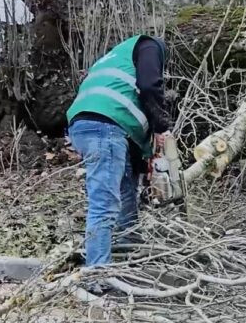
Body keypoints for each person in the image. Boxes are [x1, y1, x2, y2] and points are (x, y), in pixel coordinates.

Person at [66, 35, 170, 273]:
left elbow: (130, 124)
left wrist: (146, 166)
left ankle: (128, 257)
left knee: (125, 191)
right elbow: (149, 87)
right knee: (104, 203)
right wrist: (161, 126)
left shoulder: (114, 60)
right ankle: (98, 277)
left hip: (84, 124)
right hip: (105, 127)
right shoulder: (150, 45)